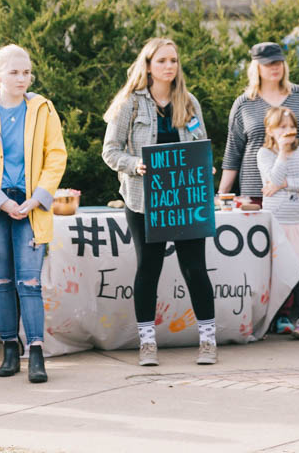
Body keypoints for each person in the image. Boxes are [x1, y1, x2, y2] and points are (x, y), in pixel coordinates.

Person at [102, 37, 217, 366]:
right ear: (148, 65)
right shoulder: (130, 104)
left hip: (186, 199)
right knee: (148, 269)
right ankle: (147, 342)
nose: (170, 66)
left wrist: (203, 165)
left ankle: (208, 340)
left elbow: (201, 143)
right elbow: (110, 151)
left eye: (174, 60)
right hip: (143, 200)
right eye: (163, 61)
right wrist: (134, 165)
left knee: (195, 269)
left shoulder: (189, 102)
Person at [0, 44, 67, 383]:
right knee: (2, 281)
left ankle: (36, 352)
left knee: (30, 282)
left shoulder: (43, 109)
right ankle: (9, 349)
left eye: (26, 72)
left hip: (31, 206)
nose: (22, 78)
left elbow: (56, 156)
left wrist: (38, 198)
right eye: (14, 72)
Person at [220, 42, 299, 334]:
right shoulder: (245, 102)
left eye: (278, 61)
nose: (275, 67)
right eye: (268, 63)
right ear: (256, 67)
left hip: (296, 194)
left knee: (295, 254)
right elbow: (233, 151)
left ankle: (295, 315)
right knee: (267, 257)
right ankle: (272, 315)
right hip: (258, 191)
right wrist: (223, 194)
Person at [256, 107, 299, 340]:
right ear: (270, 130)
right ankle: (272, 318)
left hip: (297, 222)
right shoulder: (264, 154)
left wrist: (284, 184)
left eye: (292, 127)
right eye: (282, 127)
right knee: (273, 272)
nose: (288, 131)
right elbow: (270, 179)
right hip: (275, 221)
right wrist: (283, 156)